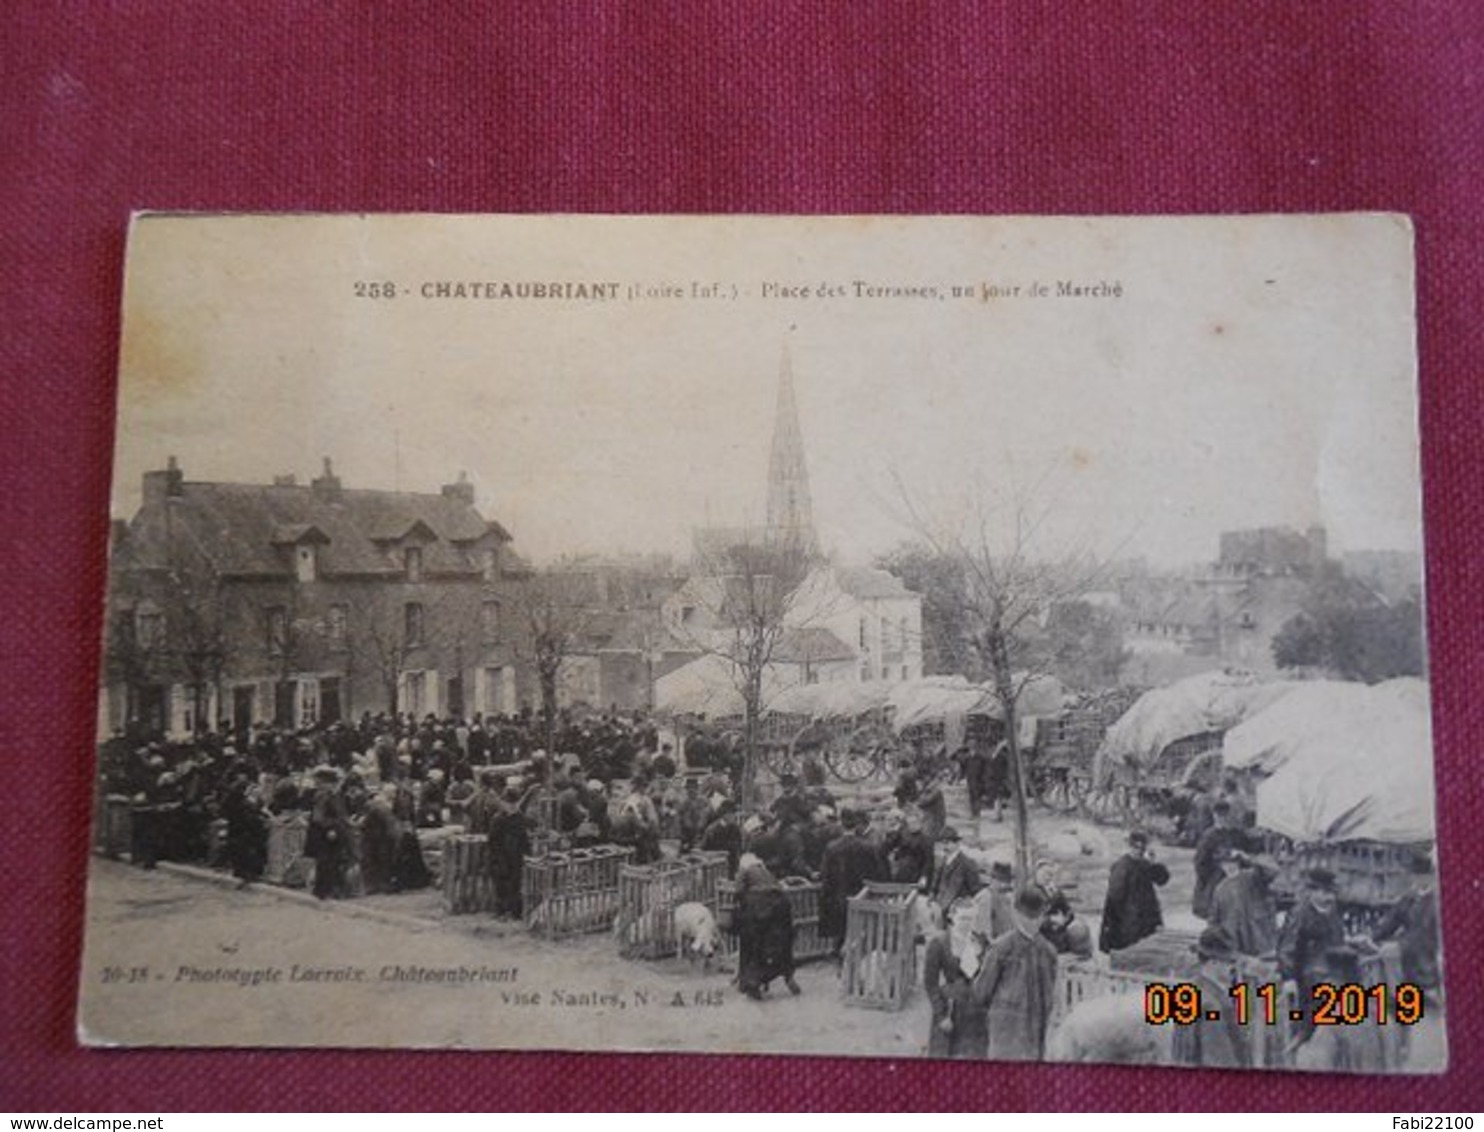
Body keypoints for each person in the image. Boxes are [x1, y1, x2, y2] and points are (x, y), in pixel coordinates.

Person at [972, 886, 1059, 1061]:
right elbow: (1049, 997)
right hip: (1033, 1035)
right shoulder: (1049, 950)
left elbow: (981, 992)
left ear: (1016, 913)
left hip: (1007, 1035)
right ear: (1043, 916)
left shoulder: (1001, 947)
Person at [1277, 867, 1347, 1046]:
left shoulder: (1333, 913)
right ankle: (1303, 1037)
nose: (1328, 898)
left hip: (1333, 968)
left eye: (1330, 893)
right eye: (1323, 893)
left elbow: (1338, 940)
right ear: (1312, 892)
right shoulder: (1300, 913)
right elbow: (1287, 948)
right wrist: (1289, 977)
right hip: (1307, 973)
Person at [1171, 926, 1250, 1069]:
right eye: (1229, 962)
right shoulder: (1214, 1006)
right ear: (1213, 962)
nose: (1234, 968)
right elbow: (1219, 1063)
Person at [924, 898, 990, 1059]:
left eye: (971, 918)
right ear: (952, 917)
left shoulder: (980, 940)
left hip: (976, 1011)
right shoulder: (939, 942)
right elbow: (930, 983)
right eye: (963, 918)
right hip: (951, 1008)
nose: (967, 923)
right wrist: (941, 1015)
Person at [819, 809, 890, 956]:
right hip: (862, 898)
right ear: (856, 825)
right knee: (861, 936)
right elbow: (877, 874)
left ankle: (841, 963)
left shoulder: (831, 848)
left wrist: (826, 898)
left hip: (839, 899)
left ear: (841, 824)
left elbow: (826, 877)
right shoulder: (867, 847)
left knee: (840, 934)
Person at [1370, 852, 1441, 994]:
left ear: (1431, 877)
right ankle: (1389, 997)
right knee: (1373, 956)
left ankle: (1402, 996)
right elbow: (1391, 922)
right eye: (1414, 875)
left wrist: (1401, 945)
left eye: (1421, 875)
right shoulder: (1409, 899)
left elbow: (1427, 936)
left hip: (1428, 953)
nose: (1416, 880)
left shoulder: (1437, 902)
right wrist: (1371, 937)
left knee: (1389, 952)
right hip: (1410, 948)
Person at [733, 853, 800, 1000]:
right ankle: (788, 974)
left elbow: (738, 891)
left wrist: (739, 903)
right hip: (780, 904)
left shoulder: (745, 871)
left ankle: (753, 982)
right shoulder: (765, 871)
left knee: (755, 945)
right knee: (778, 944)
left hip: (759, 908)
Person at [1099, 829, 1170, 953]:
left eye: (1142, 848)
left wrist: (1154, 864)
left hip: (1146, 920)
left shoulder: (1145, 864)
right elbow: (1114, 899)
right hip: (1129, 923)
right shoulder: (1122, 867)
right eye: (1137, 847)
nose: (1140, 851)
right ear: (1130, 846)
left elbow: (1162, 880)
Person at [1208, 847, 1279, 958]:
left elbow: (1273, 870)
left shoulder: (1253, 877)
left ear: (1238, 862)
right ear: (1221, 866)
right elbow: (1214, 919)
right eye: (1225, 863)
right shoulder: (1220, 889)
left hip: (1260, 939)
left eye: (1232, 862)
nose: (1229, 866)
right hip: (1236, 944)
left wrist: (1249, 858)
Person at [1191, 801, 1247, 920]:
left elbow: (1248, 851)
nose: (1224, 819)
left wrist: (1240, 856)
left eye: (1226, 815)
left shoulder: (1237, 834)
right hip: (1215, 880)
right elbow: (1200, 863)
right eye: (1220, 815)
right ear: (1215, 816)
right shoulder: (1209, 836)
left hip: (1236, 881)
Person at [306, 766, 350, 900]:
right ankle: (324, 891)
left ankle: (330, 889)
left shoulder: (334, 795)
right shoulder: (324, 795)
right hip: (326, 834)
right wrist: (329, 829)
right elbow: (319, 817)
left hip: (334, 831)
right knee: (327, 861)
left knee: (333, 861)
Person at [930, 827, 982, 911]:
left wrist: (966, 903)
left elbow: (975, 892)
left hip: (957, 910)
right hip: (939, 906)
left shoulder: (967, 864)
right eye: (942, 843)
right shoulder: (943, 862)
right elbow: (935, 886)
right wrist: (932, 899)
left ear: (957, 843)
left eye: (947, 843)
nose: (944, 847)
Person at [973, 860, 1017, 942]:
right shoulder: (985, 897)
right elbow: (982, 930)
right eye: (1000, 880)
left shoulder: (1007, 897)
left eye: (1006, 881)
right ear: (992, 879)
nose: (1003, 884)